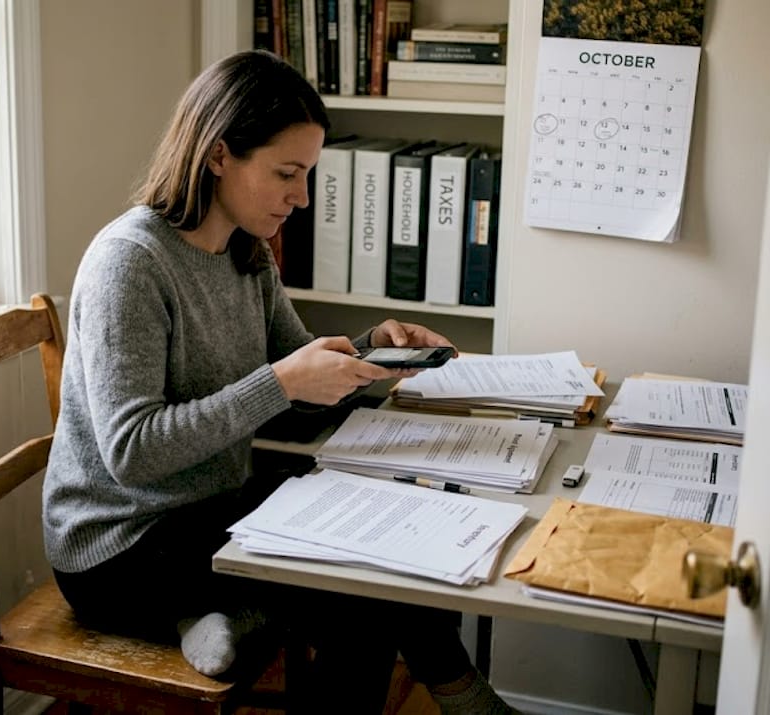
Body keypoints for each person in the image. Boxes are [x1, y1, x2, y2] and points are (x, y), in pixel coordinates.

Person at [42, 49, 517, 714]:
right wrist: (282, 382)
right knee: (362, 595)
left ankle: (229, 616)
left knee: (384, 537)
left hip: (210, 511)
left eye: (307, 174)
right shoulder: (130, 263)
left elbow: (297, 388)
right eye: (287, 173)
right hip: (121, 547)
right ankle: (465, 699)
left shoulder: (246, 253)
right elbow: (132, 452)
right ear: (218, 155)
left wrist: (372, 353)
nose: (302, 196)